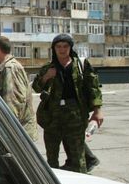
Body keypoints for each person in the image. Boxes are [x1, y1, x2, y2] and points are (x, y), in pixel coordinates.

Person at [32, 34, 103, 173]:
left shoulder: (81, 65)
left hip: (75, 115)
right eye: (58, 46)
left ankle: (81, 183)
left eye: (65, 46)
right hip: (52, 116)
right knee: (51, 157)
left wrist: (97, 110)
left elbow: (93, 87)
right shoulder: (48, 67)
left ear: (70, 48)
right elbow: (36, 87)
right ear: (54, 48)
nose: (62, 49)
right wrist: (47, 77)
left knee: (78, 156)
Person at [0, 36, 38, 140]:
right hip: (15, 130)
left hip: (17, 132)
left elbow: (13, 103)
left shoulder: (10, 68)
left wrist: (9, 132)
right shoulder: (1, 67)